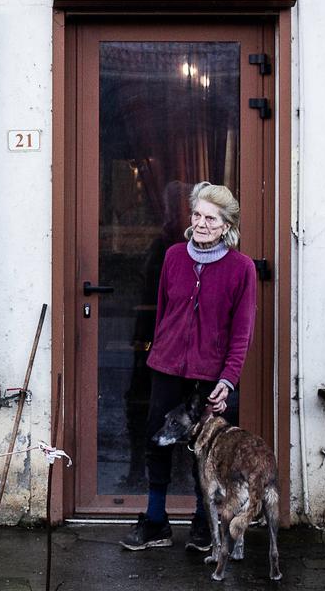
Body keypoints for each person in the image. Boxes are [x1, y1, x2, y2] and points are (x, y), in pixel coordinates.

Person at [120, 181, 257, 553]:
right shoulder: (173, 257)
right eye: (196, 215)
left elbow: (241, 333)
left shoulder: (241, 269)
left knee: (208, 451)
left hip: (209, 376)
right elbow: (165, 312)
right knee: (156, 440)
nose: (201, 223)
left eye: (211, 218)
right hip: (166, 367)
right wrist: (157, 354)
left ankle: (201, 524)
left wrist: (228, 379)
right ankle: (155, 521)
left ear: (227, 225)